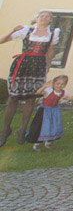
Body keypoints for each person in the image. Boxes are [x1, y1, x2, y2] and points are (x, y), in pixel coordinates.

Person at [1, 10, 59, 146]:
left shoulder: (52, 33)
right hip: (22, 66)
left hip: (38, 68)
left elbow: (50, 52)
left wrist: (47, 68)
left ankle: (22, 130)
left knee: (31, 98)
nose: (44, 18)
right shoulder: (26, 30)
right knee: (13, 98)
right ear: (37, 19)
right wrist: (12, 31)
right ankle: (4, 131)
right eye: (41, 16)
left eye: (47, 16)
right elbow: (1, 41)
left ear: (50, 20)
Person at [27, 75, 73, 150]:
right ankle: (37, 143)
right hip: (44, 111)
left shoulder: (63, 92)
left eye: (62, 84)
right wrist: (44, 86)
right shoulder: (49, 90)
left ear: (65, 85)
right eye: (58, 83)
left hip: (54, 111)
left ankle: (48, 142)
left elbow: (67, 97)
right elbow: (38, 93)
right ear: (54, 83)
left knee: (53, 126)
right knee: (40, 126)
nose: (59, 86)